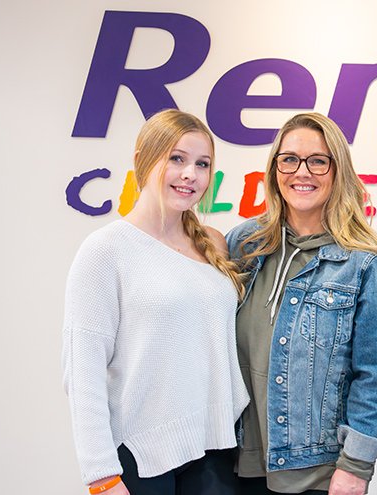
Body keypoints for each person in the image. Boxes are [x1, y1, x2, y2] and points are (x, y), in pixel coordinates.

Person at [62, 109, 250, 495]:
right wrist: (102, 476)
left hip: (215, 450)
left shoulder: (212, 242)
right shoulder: (106, 250)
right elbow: (83, 370)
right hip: (140, 456)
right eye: (176, 159)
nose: (190, 175)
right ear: (142, 160)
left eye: (202, 164)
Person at [226, 112, 377, 495]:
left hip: (317, 472)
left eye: (317, 161)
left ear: (337, 171)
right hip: (237, 460)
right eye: (289, 159)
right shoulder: (244, 245)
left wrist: (356, 466)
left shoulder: (366, 261)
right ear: (275, 168)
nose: (301, 172)